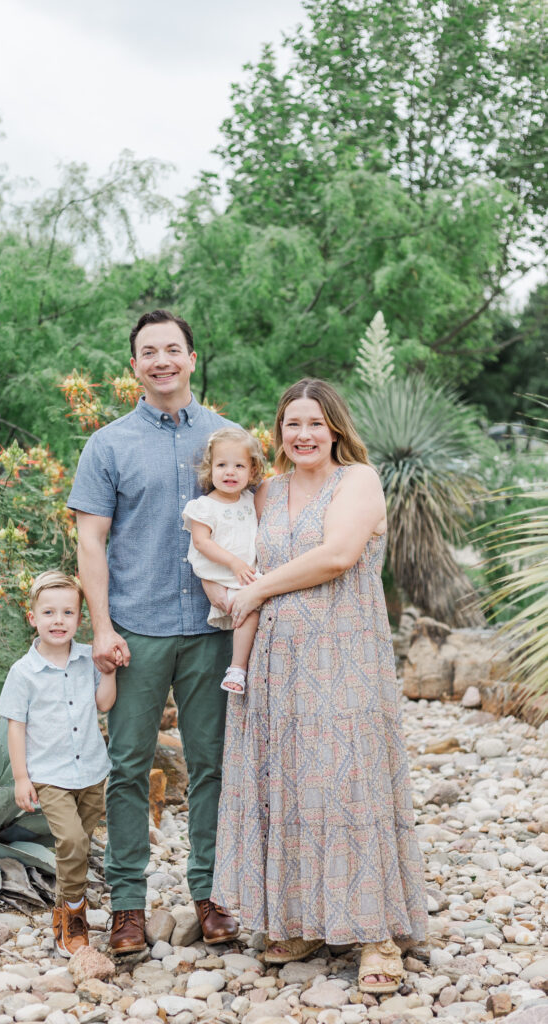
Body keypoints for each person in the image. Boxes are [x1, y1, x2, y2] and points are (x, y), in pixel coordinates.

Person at [211, 378, 428, 993]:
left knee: (349, 784)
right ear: (278, 432)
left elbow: (337, 556)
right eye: (292, 424)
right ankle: (304, 919)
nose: (303, 434)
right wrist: (227, 590)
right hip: (276, 665)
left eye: (314, 423)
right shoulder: (266, 492)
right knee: (290, 785)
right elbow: (220, 545)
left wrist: (257, 589)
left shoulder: (358, 480)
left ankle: (376, 934)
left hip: (344, 658)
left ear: (335, 428)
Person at [67, 310, 240, 954]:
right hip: (135, 631)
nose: (161, 360)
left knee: (212, 765)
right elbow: (90, 542)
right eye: (149, 352)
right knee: (128, 768)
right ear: (134, 366)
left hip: (213, 628)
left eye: (173, 349)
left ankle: (212, 895)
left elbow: (256, 526)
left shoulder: (226, 438)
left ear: (192, 358)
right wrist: (101, 628)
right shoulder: (107, 445)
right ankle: (128, 908)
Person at [0, 570, 117, 958]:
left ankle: (62, 911)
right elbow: (16, 727)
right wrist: (21, 778)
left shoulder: (88, 659)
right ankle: (75, 913)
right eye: (49, 612)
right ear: (32, 617)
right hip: (50, 776)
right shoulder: (23, 672)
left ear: (80, 617)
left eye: (68, 612)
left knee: (77, 848)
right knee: (72, 841)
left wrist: (109, 672)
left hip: (92, 771)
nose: (58, 620)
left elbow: (104, 703)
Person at [182, 426, 266, 694]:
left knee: (259, 609)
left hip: (246, 576)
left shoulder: (251, 500)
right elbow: (201, 542)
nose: (230, 472)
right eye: (222, 465)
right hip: (224, 577)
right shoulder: (204, 506)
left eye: (239, 466)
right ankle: (237, 669)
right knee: (249, 612)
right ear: (210, 469)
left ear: (252, 470)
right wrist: (233, 563)